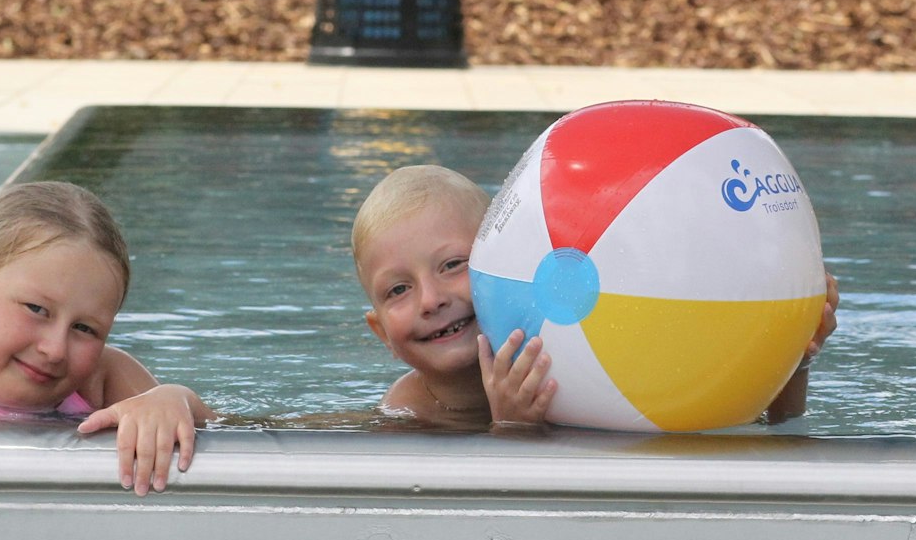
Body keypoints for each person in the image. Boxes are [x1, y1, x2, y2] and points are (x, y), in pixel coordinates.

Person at [352, 164, 839, 429]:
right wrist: (513, 430)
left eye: (452, 265)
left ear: (503, 263)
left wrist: (789, 360)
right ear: (380, 334)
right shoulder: (409, 415)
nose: (431, 299)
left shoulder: (580, 358)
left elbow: (772, 428)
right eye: (398, 290)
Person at [0, 181, 216, 494]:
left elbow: (226, 433)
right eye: (36, 309)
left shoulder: (102, 377)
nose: (55, 349)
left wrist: (173, 400)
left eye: (84, 329)